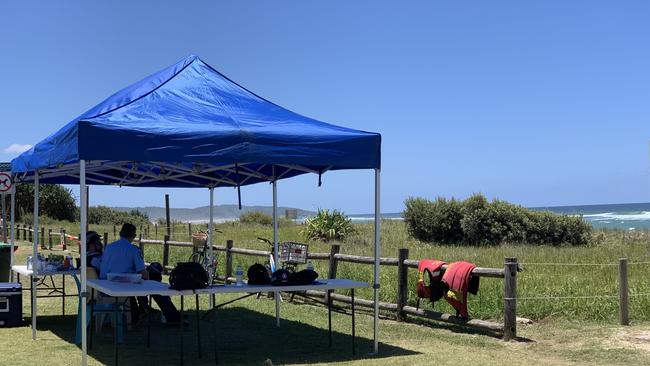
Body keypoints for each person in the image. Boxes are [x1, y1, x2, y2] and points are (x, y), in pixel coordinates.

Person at [100, 223, 182, 324]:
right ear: (134, 236)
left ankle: (143, 307)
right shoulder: (133, 250)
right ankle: (172, 316)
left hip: (106, 284)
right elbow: (142, 272)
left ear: (120, 234)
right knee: (156, 286)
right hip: (124, 284)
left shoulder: (109, 247)